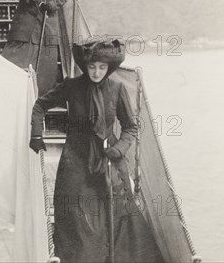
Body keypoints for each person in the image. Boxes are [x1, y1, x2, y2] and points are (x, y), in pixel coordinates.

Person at [29, 39, 165, 263]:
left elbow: (131, 126)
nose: (96, 72)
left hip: (109, 156)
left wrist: (119, 149)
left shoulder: (117, 89)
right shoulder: (72, 86)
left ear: (109, 68)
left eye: (102, 67)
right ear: (85, 66)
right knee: (74, 212)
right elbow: (40, 105)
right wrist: (36, 134)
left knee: (118, 212)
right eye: (92, 67)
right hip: (76, 156)